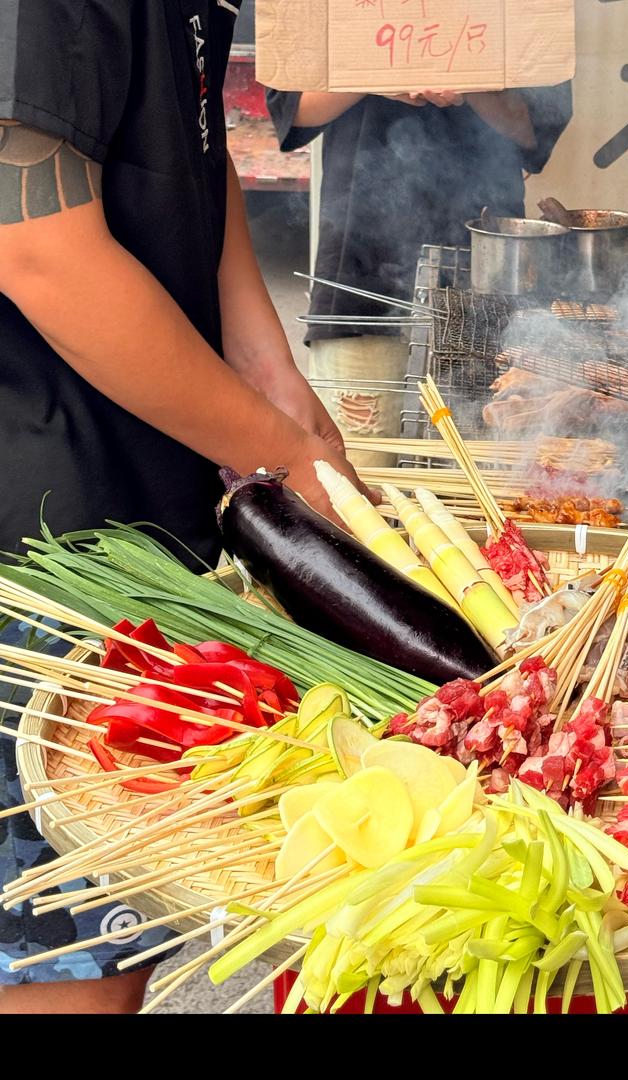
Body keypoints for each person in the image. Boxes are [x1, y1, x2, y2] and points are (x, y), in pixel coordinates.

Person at [0, 1, 366, 1013]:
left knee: (126, 927)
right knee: (67, 963)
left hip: (138, 498)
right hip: (36, 522)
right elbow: (38, 251)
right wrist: (282, 456)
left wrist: (275, 385)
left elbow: (196, 163)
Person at [266, 82, 573, 467]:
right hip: (361, 276)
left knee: (474, 483)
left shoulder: (529, 23)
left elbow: (532, 132)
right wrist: (378, 74)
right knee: (362, 479)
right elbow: (293, 111)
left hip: (484, 274)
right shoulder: (340, 21)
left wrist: (471, 84)